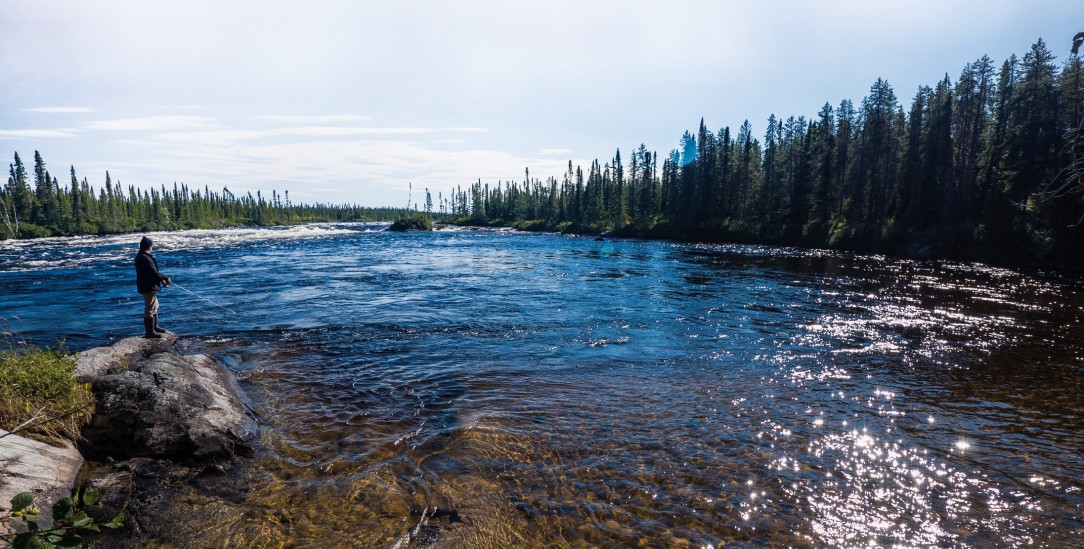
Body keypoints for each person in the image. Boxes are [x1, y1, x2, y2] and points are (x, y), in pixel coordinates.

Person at [134, 236, 172, 338]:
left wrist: (161, 280)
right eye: (151, 246)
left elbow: (152, 273)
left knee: (155, 306)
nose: (152, 247)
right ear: (148, 246)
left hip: (148, 284)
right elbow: (153, 273)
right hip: (147, 286)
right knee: (150, 308)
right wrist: (165, 278)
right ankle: (150, 332)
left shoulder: (143, 256)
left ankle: (155, 327)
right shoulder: (144, 258)